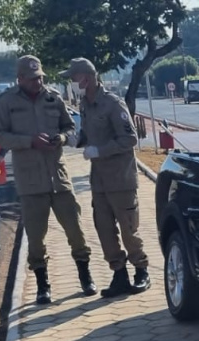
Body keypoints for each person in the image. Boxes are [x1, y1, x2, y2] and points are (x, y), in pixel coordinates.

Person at [0, 55, 95, 304]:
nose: (37, 82)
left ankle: (85, 275)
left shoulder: (53, 97)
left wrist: (60, 139)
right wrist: (28, 141)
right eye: (31, 79)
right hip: (30, 182)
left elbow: (70, 128)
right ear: (20, 79)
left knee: (76, 231)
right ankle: (42, 284)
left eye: (39, 78)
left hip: (58, 177)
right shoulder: (7, 102)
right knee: (35, 238)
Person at [62, 57, 149, 298]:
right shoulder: (85, 105)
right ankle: (119, 274)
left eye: (73, 77)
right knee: (104, 230)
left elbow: (129, 139)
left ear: (86, 78)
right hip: (99, 180)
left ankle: (141, 270)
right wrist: (77, 140)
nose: (71, 82)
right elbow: (89, 135)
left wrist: (101, 150)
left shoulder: (112, 103)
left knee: (129, 229)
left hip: (120, 179)